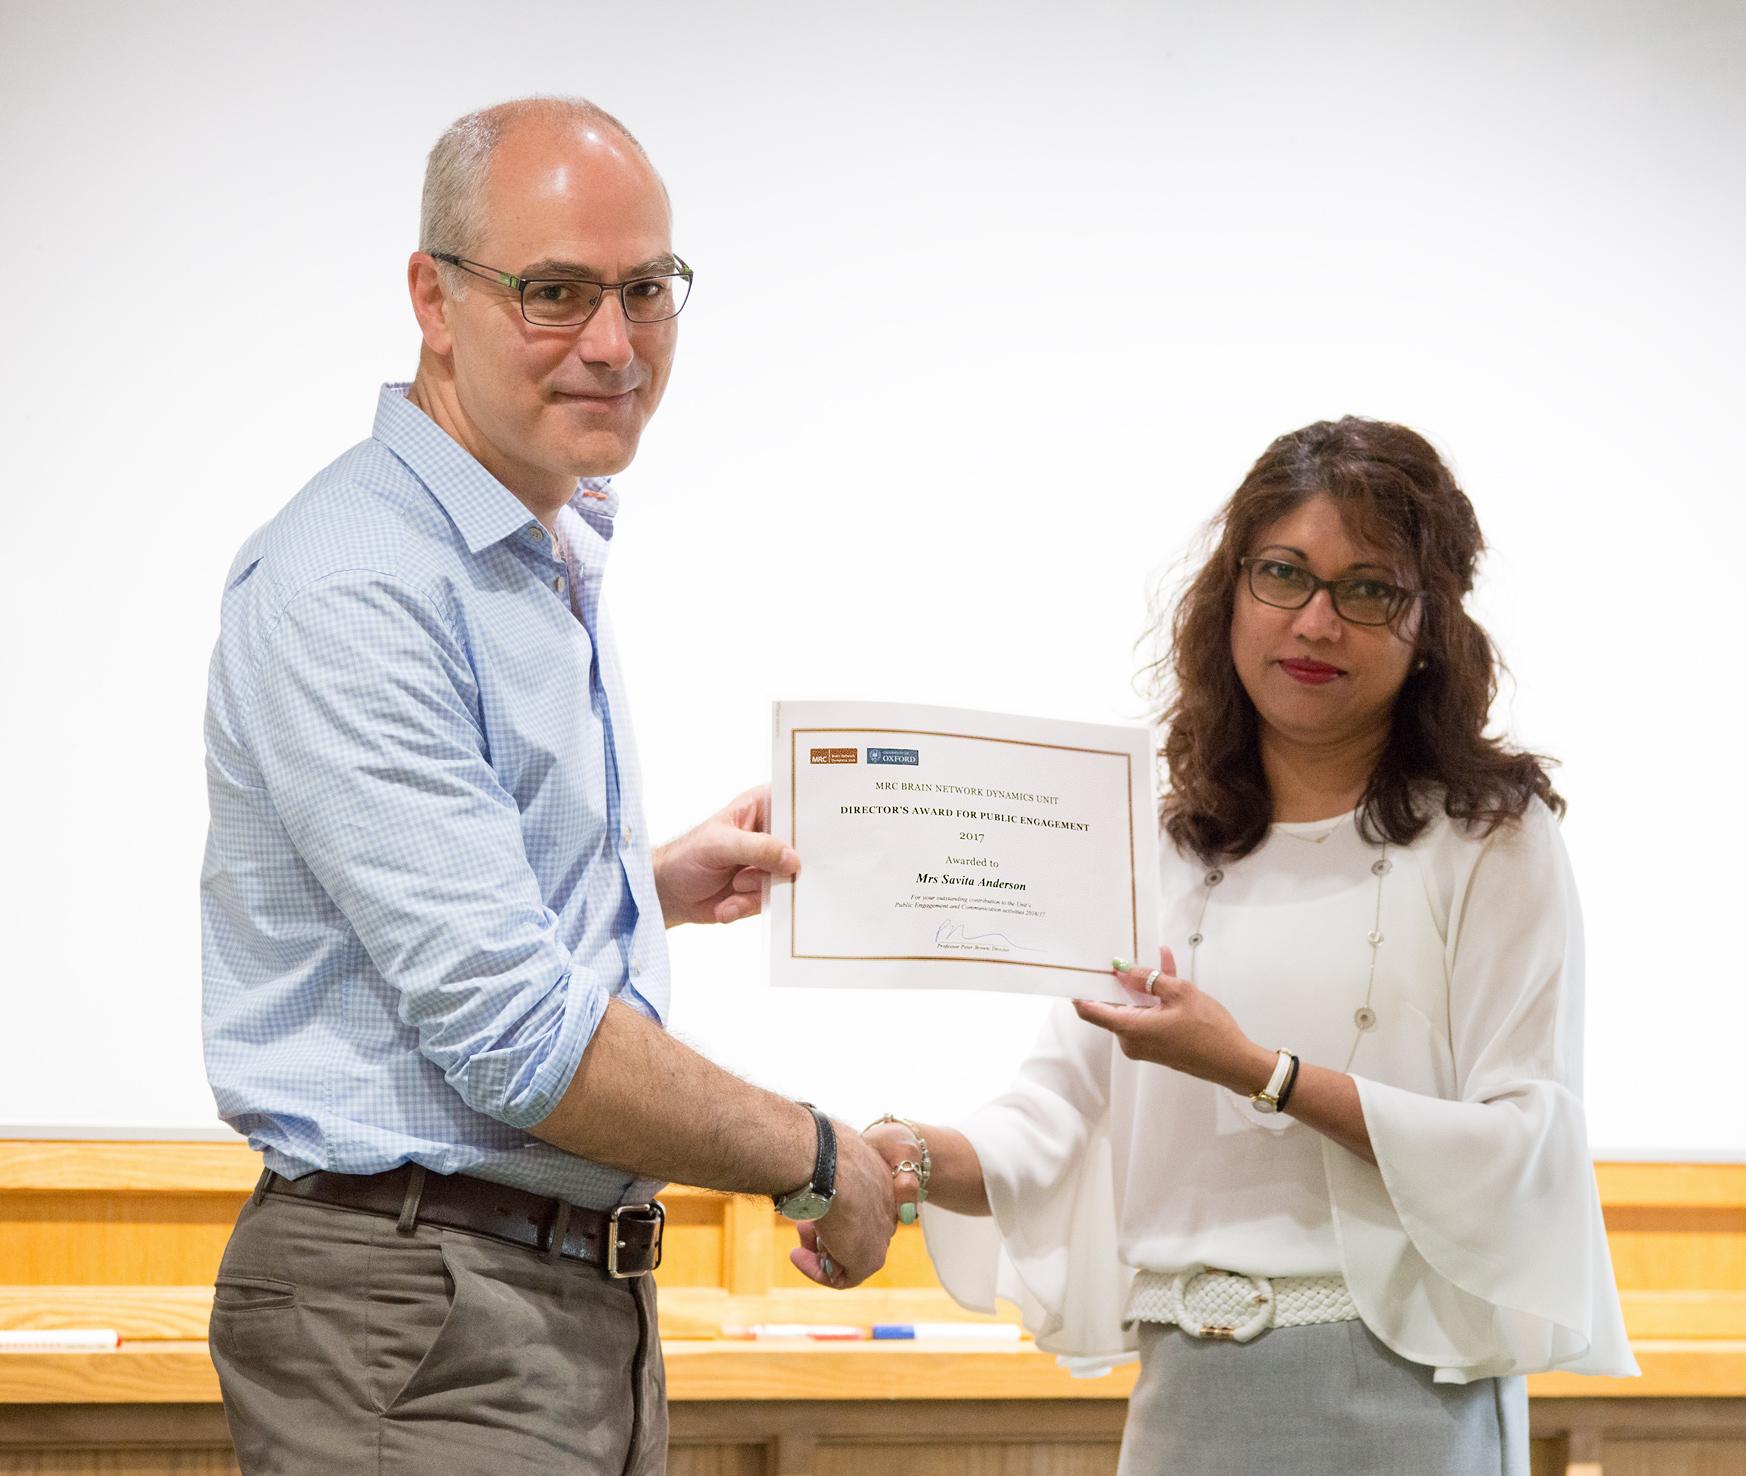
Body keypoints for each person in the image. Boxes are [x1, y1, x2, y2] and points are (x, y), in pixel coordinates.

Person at [200, 96, 893, 1476]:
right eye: (557, 291)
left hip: (552, 1302)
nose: (615, 344)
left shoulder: (531, 544)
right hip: (425, 1313)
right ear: (433, 296)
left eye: (647, 290)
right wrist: (817, 1153)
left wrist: (642, 889)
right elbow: (513, 1036)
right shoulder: (361, 577)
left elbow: (440, 922)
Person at [856, 418, 1637, 1474]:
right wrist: (886, 1158)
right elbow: (1051, 1119)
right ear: (1230, 593)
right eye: (1285, 575)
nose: (1317, 623)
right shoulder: (1157, 842)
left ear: (1429, 627)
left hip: (1405, 1388)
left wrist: (1258, 1073)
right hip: (1190, 1391)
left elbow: (1523, 1145)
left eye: (1369, 590)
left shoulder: (1490, 836)